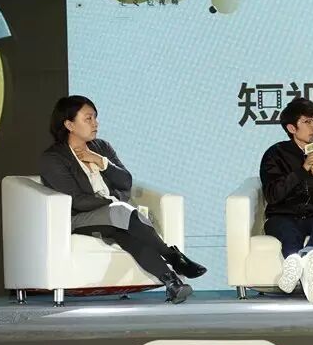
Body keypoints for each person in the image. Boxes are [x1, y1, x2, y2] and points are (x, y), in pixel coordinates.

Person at [40, 95, 206, 304]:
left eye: (95, 117)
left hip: (114, 217)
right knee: (122, 211)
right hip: (80, 218)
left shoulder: (102, 147)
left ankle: (173, 283)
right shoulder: (53, 158)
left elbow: (126, 181)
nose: (95, 123)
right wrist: (112, 202)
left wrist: (101, 161)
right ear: (69, 125)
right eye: (88, 118)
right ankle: (173, 257)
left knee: (127, 235)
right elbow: (77, 201)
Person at [259, 97, 313, 302]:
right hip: (281, 216)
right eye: (307, 122)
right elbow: (272, 195)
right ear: (292, 128)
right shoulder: (275, 154)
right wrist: (302, 170)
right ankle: (299, 262)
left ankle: (305, 258)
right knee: (289, 232)